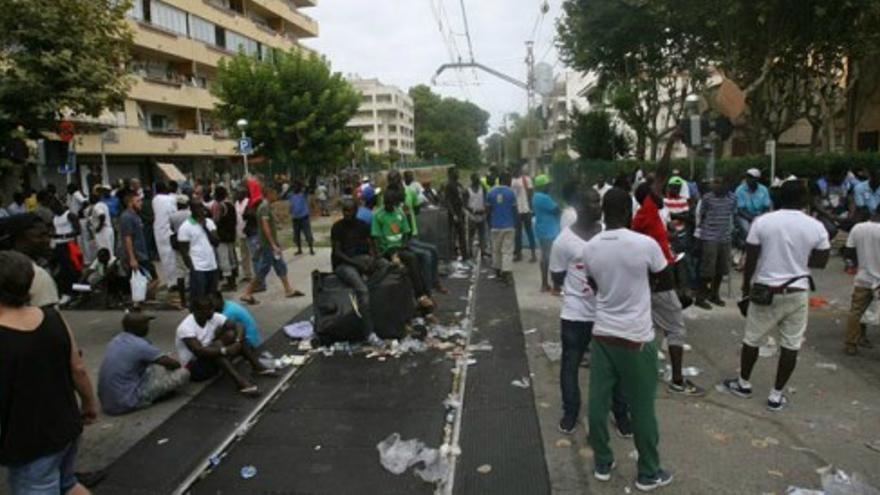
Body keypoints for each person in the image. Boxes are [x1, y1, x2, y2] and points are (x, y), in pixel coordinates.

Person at [582, 188, 674, 490]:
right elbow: (666, 280)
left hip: (603, 334)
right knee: (642, 407)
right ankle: (648, 472)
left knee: (598, 402)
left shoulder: (591, 247)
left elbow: (594, 284)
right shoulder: (645, 244)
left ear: (604, 213)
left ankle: (603, 462)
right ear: (629, 212)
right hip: (636, 337)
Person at [722, 180, 830, 411]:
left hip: (765, 290)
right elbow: (821, 261)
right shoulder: (815, 226)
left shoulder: (763, 222)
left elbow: (750, 259)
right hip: (798, 291)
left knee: (752, 339)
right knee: (791, 345)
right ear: (804, 200)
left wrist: (745, 290)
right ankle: (776, 395)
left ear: (778, 197)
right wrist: (799, 259)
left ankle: (743, 383)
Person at [0, 250, 98, 495]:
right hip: (66, 426)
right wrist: (88, 404)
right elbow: (79, 370)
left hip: (29, 441)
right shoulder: (53, 318)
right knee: (67, 483)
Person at [549, 188, 632, 437]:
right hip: (576, 314)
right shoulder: (563, 241)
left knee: (617, 366)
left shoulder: (610, 235)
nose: (600, 206)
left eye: (600, 201)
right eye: (594, 201)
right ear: (579, 206)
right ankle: (571, 412)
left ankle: (620, 414)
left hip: (608, 313)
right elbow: (557, 277)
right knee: (570, 363)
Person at [632, 182, 705, 397]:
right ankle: (677, 380)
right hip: (660, 284)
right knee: (676, 329)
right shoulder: (647, 211)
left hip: (653, 282)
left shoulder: (649, 216)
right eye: (657, 190)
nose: (661, 193)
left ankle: (643, 372)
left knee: (652, 328)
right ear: (647, 197)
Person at [175, 295, 274, 396]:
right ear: (196, 312)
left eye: (212, 308)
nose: (212, 312)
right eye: (207, 310)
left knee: (232, 335)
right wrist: (225, 350)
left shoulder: (213, 316)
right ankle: (241, 383)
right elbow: (198, 351)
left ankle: (257, 367)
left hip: (210, 358)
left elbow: (239, 326)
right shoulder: (185, 328)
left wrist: (237, 341)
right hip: (195, 368)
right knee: (217, 351)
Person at [98, 312, 189, 416]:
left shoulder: (116, 340)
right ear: (139, 327)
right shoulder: (141, 346)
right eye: (146, 324)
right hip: (127, 402)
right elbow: (174, 364)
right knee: (183, 372)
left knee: (151, 362)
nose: (148, 327)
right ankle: (153, 397)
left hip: (108, 402)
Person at [332, 197, 389, 346]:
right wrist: (357, 264)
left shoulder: (362, 225)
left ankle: (368, 287)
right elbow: (337, 253)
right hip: (344, 263)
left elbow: (371, 245)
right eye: (344, 210)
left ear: (356, 211)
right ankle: (369, 333)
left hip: (361, 259)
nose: (346, 214)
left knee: (386, 265)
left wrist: (374, 258)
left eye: (349, 210)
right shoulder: (337, 227)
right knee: (362, 290)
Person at [372, 187, 435, 311]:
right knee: (405, 262)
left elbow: (406, 233)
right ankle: (419, 296)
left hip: (399, 247)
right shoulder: (378, 215)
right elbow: (376, 238)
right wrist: (380, 253)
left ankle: (423, 294)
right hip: (386, 249)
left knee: (415, 259)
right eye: (387, 204)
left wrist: (403, 245)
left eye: (391, 204)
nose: (389, 206)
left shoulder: (399, 213)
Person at [240, 184, 304, 305]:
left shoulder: (266, 206)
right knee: (263, 270)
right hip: (268, 245)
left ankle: (288, 289)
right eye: (274, 193)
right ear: (269, 193)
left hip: (271, 245)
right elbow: (265, 227)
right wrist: (273, 244)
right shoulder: (264, 207)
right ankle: (247, 293)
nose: (276, 195)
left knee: (280, 266)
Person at [0, 214, 60, 307]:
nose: (47, 240)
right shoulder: (36, 275)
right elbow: (48, 317)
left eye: (48, 235)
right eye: (40, 236)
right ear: (18, 239)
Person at [695, 177, 737, 309]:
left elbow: (732, 214)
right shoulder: (707, 198)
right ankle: (700, 297)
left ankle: (714, 294)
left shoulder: (732, 198)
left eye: (719, 183)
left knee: (721, 268)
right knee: (707, 269)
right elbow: (702, 215)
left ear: (726, 185)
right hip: (710, 236)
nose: (715, 186)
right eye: (715, 183)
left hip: (725, 237)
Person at [843, 208, 880, 355]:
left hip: (863, 277)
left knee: (856, 312)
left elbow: (849, 252)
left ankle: (851, 344)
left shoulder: (858, 228)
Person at [120, 190, 159, 306]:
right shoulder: (127, 217)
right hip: (137, 255)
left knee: (150, 279)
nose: (141, 203)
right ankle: (138, 301)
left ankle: (140, 300)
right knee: (151, 279)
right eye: (138, 201)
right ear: (130, 203)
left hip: (142, 253)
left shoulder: (136, 216)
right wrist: (132, 258)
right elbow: (127, 238)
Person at [177, 201, 220, 303]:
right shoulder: (185, 227)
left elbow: (216, 242)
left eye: (203, 209)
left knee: (212, 296)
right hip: (198, 267)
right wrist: (192, 269)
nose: (202, 212)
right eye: (199, 209)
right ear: (192, 211)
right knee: (199, 298)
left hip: (212, 265)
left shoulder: (209, 223)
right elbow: (184, 251)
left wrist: (205, 227)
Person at [51, 196, 83, 303]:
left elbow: (78, 230)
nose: (55, 211)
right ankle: (65, 292)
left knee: (73, 269)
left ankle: (75, 292)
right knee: (62, 270)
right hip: (59, 245)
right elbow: (55, 230)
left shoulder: (69, 215)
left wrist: (65, 235)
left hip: (70, 244)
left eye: (56, 208)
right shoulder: (55, 217)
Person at [487, 171, 517, 284]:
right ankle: (506, 272)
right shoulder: (511, 193)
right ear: (505, 180)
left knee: (496, 249)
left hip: (495, 225)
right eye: (509, 179)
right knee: (507, 250)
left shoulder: (491, 192)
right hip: (508, 225)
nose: (510, 181)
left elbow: (488, 210)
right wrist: (515, 223)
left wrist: (489, 223)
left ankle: (498, 270)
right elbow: (514, 210)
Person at [532, 174, 561, 293]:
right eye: (548, 185)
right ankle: (555, 286)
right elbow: (557, 210)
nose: (550, 187)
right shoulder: (545, 198)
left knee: (545, 257)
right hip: (550, 231)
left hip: (542, 230)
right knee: (553, 259)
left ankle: (544, 284)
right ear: (543, 186)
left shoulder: (535, 196)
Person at [152, 181, 178, 297]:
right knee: (173, 256)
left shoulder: (155, 200)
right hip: (170, 229)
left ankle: (170, 282)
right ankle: (175, 281)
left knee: (165, 258)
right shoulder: (171, 199)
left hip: (159, 231)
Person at [213, 186, 239, 291]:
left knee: (224, 259)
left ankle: (230, 283)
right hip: (231, 235)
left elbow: (216, 220)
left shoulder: (221, 206)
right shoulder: (231, 205)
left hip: (222, 237)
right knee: (232, 258)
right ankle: (233, 282)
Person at [734, 168, 772, 239]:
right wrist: (752, 219)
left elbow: (766, 207)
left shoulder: (764, 189)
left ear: (757, 179)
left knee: (768, 231)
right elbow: (740, 210)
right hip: (744, 216)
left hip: (760, 215)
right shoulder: (739, 190)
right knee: (748, 231)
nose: (749, 179)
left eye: (752, 177)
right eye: (748, 177)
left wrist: (760, 218)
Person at [442, 167, 469, 260]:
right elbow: (447, 201)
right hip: (453, 214)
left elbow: (464, 195)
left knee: (462, 234)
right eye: (456, 172)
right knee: (453, 235)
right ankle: (453, 255)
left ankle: (465, 254)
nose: (458, 174)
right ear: (450, 174)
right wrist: (453, 214)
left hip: (460, 212)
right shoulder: (448, 185)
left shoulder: (458, 184)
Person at [511, 166, 537, 262]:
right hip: (516, 210)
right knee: (517, 234)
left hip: (526, 210)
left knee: (529, 232)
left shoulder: (526, 179)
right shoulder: (511, 180)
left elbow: (531, 193)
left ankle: (533, 255)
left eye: (518, 169)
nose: (517, 171)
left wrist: (530, 208)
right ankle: (518, 254)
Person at [288, 181, 315, 256]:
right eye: (294, 186)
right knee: (296, 235)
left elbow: (308, 188)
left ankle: (311, 249)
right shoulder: (291, 195)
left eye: (296, 186)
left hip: (304, 217)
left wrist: (303, 184)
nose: (295, 188)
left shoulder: (303, 194)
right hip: (295, 218)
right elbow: (282, 196)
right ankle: (299, 249)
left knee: (307, 233)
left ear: (299, 187)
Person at [465, 172, 488, 257]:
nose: (477, 180)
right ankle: (469, 251)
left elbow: (486, 199)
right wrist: (471, 210)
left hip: (482, 213)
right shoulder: (467, 190)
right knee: (471, 234)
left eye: (478, 179)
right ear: (472, 180)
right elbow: (465, 204)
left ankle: (483, 250)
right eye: (476, 179)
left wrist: (485, 209)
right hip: (472, 215)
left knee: (482, 234)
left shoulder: (483, 188)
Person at [234, 187, 253, 282]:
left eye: (238, 193)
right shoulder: (236, 204)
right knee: (243, 254)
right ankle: (247, 274)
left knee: (252, 253)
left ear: (243, 194)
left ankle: (255, 274)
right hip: (240, 232)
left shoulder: (248, 202)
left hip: (249, 232)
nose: (237, 195)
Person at [91, 185, 115, 254]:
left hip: (103, 231)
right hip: (108, 229)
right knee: (110, 251)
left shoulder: (97, 206)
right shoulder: (103, 204)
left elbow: (102, 216)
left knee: (104, 251)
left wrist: (99, 228)